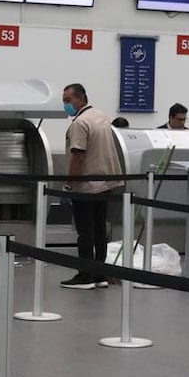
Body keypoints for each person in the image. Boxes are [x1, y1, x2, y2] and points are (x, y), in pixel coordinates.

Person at [60, 83, 122, 290]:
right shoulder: (101, 116)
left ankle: (85, 275)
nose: (65, 105)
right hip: (105, 183)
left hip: (86, 185)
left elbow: (78, 156)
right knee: (99, 229)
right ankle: (99, 274)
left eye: (68, 100)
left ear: (80, 99)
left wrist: (69, 184)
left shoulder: (80, 123)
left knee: (84, 232)